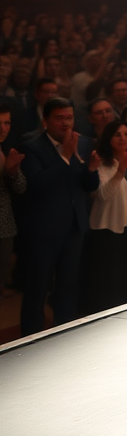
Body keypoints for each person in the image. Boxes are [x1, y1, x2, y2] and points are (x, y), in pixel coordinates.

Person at [19, 97, 101, 335]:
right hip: (44, 229)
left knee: (68, 284)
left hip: (74, 226)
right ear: (46, 121)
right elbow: (37, 185)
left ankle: (64, 333)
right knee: (38, 286)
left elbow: (87, 186)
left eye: (69, 118)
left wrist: (92, 170)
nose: (66, 123)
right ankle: (30, 338)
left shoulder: (83, 143)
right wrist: (64, 157)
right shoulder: (32, 147)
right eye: (59, 118)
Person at [81, 119, 127, 313]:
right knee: (110, 279)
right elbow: (103, 195)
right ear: (109, 138)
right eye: (118, 135)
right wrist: (120, 171)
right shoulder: (101, 163)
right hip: (107, 229)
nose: (123, 138)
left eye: (126, 134)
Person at [0, 102, 26, 295]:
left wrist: (12, 172)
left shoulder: (7, 150)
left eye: (7, 122)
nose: (3, 128)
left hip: (5, 226)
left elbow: (21, 188)